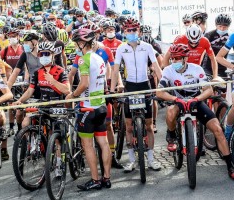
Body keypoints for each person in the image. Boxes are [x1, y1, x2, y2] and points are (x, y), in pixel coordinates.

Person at [156, 44, 234, 179]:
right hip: (178, 101)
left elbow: (209, 90)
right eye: (173, 59)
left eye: (178, 58)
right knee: (170, 111)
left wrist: (197, 99)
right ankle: (171, 135)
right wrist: (175, 98)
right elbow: (159, 92)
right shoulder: (168, 70)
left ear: (185, 58)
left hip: (196, 102)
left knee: (218, 130)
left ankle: (230, 165)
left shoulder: (197, 69)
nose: (174, 61)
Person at [110, 18, 162, 172]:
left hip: (144, 85)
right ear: (124, 32)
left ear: (138, 31)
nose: (131, 33)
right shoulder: (120, 48)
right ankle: (131, 160)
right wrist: (112, 90)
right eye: (128, 30)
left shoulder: (147, 47)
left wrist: (165, 85)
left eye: (134, 30)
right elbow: (115, 70)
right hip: (130, 87)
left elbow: (156, 67)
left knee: (149, 126)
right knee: (128, 127)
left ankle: (151, 159)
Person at [65, 28, 111, 191]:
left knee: (88, 145)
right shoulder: (99, 58)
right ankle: (106, 178)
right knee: (103, 143)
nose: (76, 46)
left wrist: (72, 95)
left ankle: (95, 180)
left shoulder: (84, 59)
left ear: (82, 43)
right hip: (101, 106)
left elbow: (84, 83)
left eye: (77, 43)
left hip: (88, 109)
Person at [13, 41, 71, 127]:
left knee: (57, 137)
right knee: (25, 123)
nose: (44, 56)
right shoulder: (38, 72)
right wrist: (19, 101)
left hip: (57, 105)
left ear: (53, 55)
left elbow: (67, 90)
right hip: (43, 104)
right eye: (41, 54)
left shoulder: (61, 71)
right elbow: (29, 91)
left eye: (47, 54)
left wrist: (53, 81)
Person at [7, 31, 42, 132]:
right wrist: (7, 89)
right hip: (31, 88)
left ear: (34, 42)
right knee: (19, 112)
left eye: (26, 42)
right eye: (23, 43)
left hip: (45, 88)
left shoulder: (44, 53)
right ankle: (20, 133)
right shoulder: (25, 54)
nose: (24, 45)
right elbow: (15, 73)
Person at [203, 14, 231, 78]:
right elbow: (202, 52)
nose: (222, 29)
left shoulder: (230, 36)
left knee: (223, 87)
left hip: (222, 68)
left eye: (225, 27)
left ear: (228, 26)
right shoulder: (209, 35)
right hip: (208, 67)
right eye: (220, 26)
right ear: (216, 25)